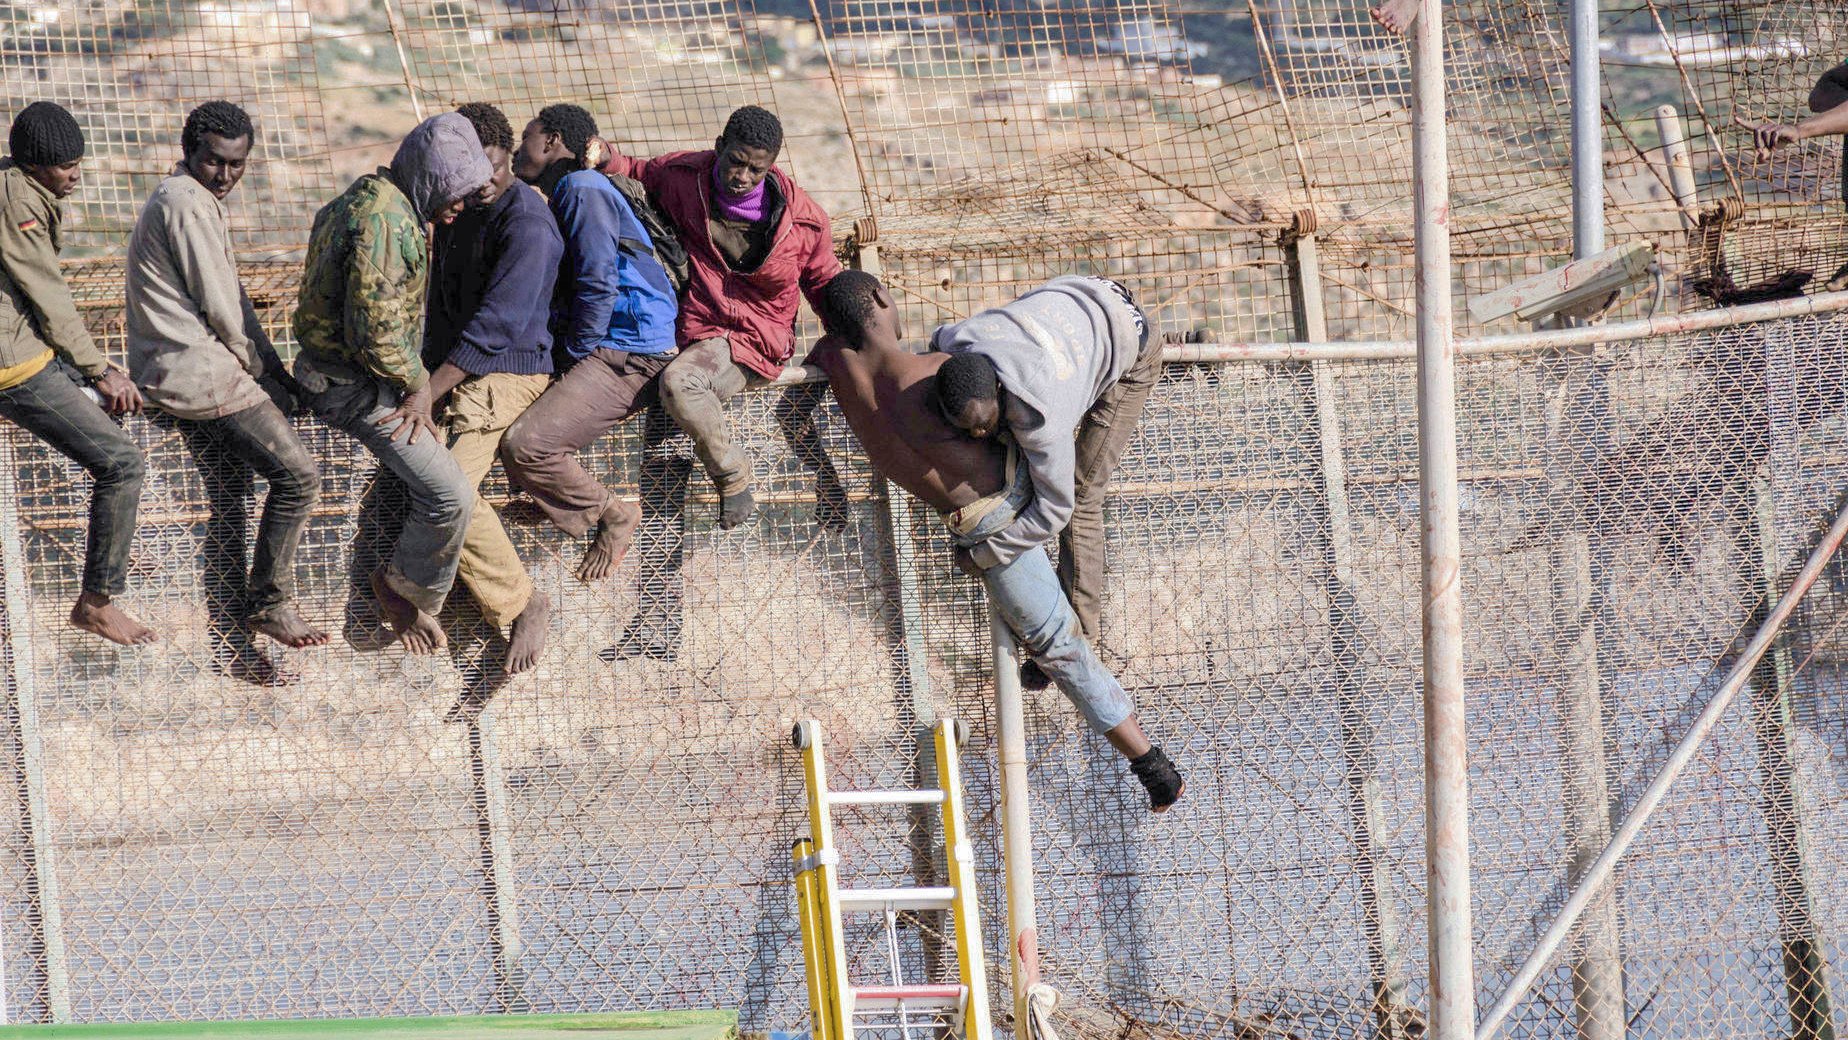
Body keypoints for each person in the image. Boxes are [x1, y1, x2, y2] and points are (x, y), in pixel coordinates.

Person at [807, 270, 1184, 811]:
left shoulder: (829, 364)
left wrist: (826, 477)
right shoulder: (932, 368)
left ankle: (1152, 766)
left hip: (976, 516)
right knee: (1059, 642)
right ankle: (1153, 766)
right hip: (999, 507)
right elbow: (1048, 497)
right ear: (884, 299)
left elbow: (799, 407)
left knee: (1059, 634)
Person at [127, 101, 325, 682]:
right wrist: (264, 375)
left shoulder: (189, 198)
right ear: (191, 152)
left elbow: (232, 300)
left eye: (237, 164)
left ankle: (232, 647)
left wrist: (273, 373)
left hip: (186, 369)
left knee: (232, 508)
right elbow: (223, 309)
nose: (226, 174)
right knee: (299, 476)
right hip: (200, 373)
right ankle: (270, 602)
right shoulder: (187, 202)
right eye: (215, 161)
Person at [590, 104, 842, 530]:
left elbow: (825, 285)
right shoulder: (686, 179)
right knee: (664, 436)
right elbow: (638, 170)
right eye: (735, 162)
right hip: (697, 327)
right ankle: (661, 575)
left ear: (771, 168)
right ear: (719, 147)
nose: (742, 177)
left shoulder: (803, 223)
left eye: (755, 170)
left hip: (756, 340)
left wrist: (854, 335)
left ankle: (732, 474)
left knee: (681, 384)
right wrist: (602, 154)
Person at [293, 112, 490, 655]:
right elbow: (376, 331)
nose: (456, 211)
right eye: (454, 194)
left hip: (338, 373)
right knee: (450, 496)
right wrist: (416, 384)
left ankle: (377, 597)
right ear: (432, 177)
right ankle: (403, 590)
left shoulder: (365, 198)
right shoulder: (388, 221)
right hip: (350, 385)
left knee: (415, 487)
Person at [929, 276, 1161, 690]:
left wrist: (988, 552)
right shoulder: (955, 340)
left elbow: (1057, 509)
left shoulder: (1039, 417)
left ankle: (1074, 643)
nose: (979, 435)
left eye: (985, 424)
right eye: (968, 429)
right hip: (1077, 304)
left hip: (1129, 339)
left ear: (1000, 391)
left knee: (1084, 491)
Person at [497, 103, 678, 584]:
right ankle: (563, 503)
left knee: (527, 446)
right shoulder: (572, 190)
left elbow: (598, 284)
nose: (519, 148)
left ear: (552, 141)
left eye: (527, 137)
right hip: (621, 338)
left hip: (630, 349)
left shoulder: (581, 188)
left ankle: (611, 515)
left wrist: (575, 359)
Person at [0, 102, 155, 646]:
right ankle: (97, 601)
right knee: (121, 463)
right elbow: (47, 295)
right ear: (36, 166)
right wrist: (99, 369)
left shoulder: (14, 183)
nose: (75, 174)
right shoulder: (20, 201)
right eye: (65, 166)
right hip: (13, 365)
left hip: (26, 349)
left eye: (77, 162)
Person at [423, 102, 563, 674]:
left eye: (490, 165)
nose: (478, 182)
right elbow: (442, 312)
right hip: (467, 369)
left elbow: (499, 325)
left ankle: (523, 601)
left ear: (508, 154)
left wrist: (428, 392)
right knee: (431, 481)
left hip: (508, 371)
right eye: (465, 171)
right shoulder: (460, 213)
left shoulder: (525, 221)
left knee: (449, 488)